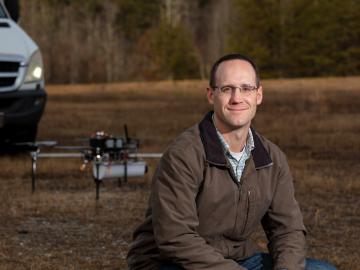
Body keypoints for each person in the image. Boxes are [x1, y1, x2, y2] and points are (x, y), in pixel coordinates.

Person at [127, 54, 337, 270]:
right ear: (211, 95)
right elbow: (176, 238)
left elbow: (287, 230)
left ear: (259, 95)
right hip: (171, 262)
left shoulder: (272, 158)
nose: (237, 98)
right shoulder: (183, 155)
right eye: (227, 89)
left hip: (239, 260)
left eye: (246, 88)